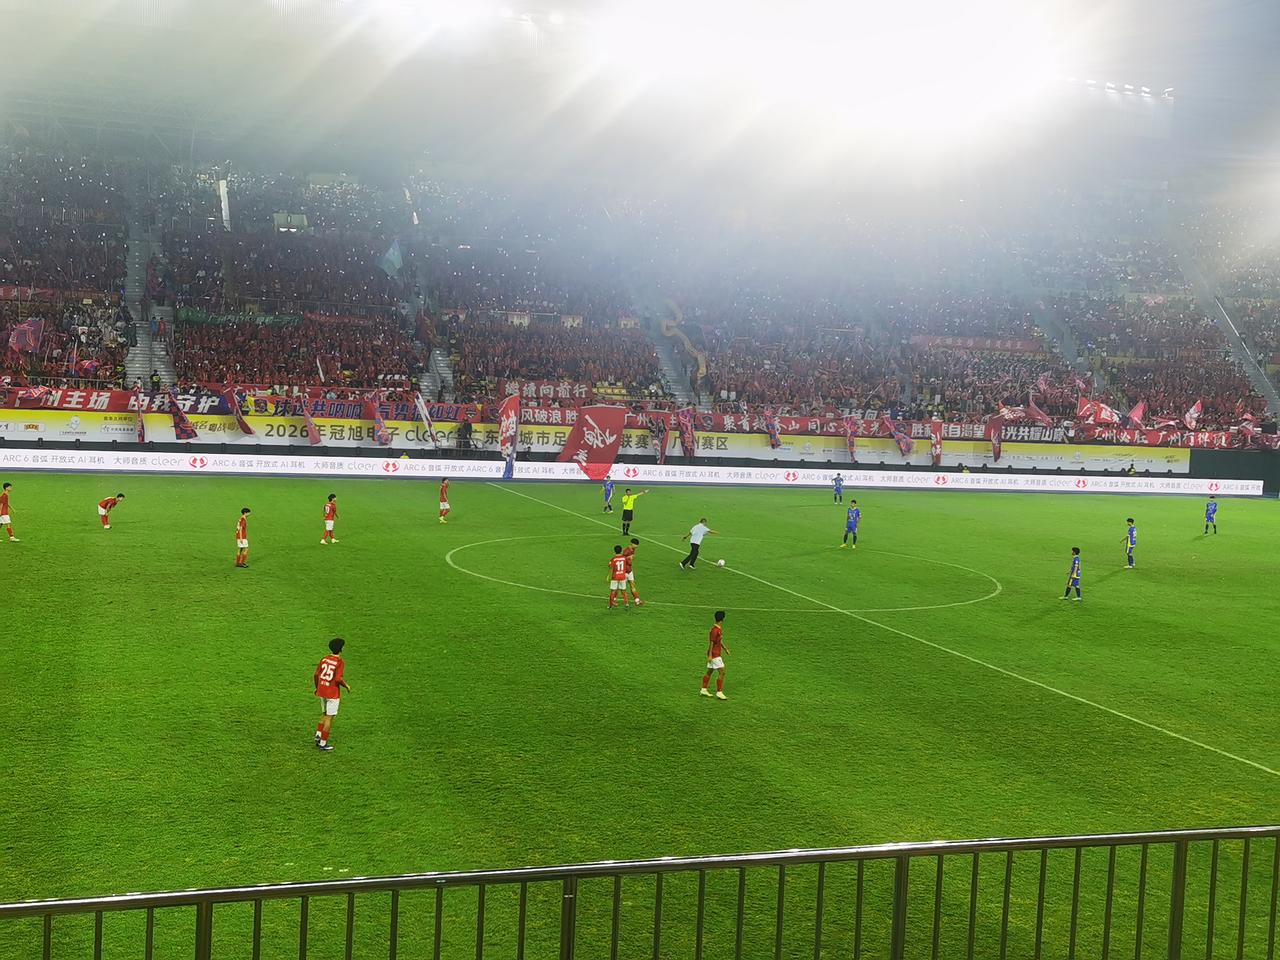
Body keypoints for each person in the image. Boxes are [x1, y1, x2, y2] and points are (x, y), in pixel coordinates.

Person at [313, 637, 351, 752]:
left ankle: (318, 735)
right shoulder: (339, 662)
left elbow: (316, 674)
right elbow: (338, 679)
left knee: (324, 714)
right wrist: (346, 686)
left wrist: (317, 688)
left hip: (322, 690)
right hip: (332, 693)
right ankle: (323, 743)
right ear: (341, 649)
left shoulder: (324, 659)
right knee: (329, 717)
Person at [700, 610, 728, 700]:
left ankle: (703, 689)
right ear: (722, 619)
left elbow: (719, 641)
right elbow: (711, 643)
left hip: (715, 653)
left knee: (709, 671)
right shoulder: (715, 630)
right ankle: (719, 692)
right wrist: (710, 655)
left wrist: (725, 648)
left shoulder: (718, 629)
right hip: (715, 654)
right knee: (722, 672)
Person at [622, 537, 643, 606]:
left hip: (630, 570)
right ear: (632, 544)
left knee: (632, 584)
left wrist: (632, 557)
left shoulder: (633, 549)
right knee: (621, 587)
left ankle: (637, 600)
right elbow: (622, 559)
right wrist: (629, 558)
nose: (637, 546)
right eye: (636, 545)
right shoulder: (626, 551)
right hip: (625, 571)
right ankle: (614, 599)